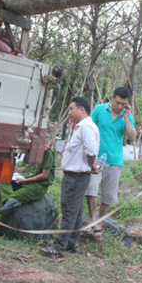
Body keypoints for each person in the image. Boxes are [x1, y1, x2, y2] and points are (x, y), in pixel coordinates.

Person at [41, 97, 100, 258]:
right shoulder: (82, 127)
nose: (69, 113)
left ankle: (58, 247)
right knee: (76, 212)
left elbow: (91, 150)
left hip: (76, 176)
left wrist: (90, 165)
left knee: (69, 211)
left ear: (82, 109)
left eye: (71, 109)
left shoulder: (86, 127)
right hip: (77, 176)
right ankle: (70, 243)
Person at [86, 87, 137, 239]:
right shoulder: (99, 110)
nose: (120, 106)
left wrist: (127, 117)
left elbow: (132, 137)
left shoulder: (126, 116)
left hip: (114, 160)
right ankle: (92, 218)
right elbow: (89, 127)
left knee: (108, 195)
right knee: (91, 189)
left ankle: (100, 222)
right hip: (96, 157)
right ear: (112, 97)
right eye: (118, 102)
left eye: (124, 104)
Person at [0, 146, 56, 235]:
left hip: (37, 185)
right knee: (4, 180)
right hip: (24, 180)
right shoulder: (28, 150)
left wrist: (25, 180)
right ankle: (9, 199)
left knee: (7, 202)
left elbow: (45, 175)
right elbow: (28, 167)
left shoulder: (47, 152)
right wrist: (16, 171)